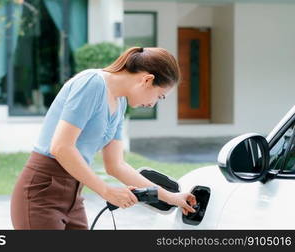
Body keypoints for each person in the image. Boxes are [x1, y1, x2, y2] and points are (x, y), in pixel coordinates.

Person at [10, 46, 197, 230]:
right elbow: (60, 147)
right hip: (42, 192)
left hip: (73, 195)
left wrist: (171, 197)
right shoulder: (92, 83)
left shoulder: (120, 103)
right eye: (160, 96)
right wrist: (107, 191)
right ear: (147, 80)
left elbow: (116, 165)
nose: (152, 104)